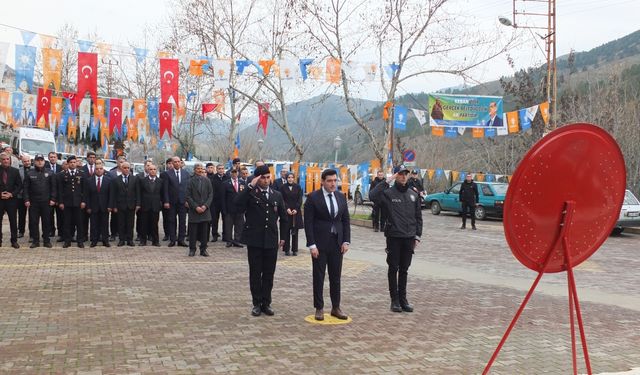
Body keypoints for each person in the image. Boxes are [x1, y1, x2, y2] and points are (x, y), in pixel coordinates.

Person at [234, 165, 287, 317]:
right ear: (257, 179)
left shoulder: (277, 195)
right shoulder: (250, 194)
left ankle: (267, 302)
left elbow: (283, 218)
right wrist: (250, 186)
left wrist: (283, 237)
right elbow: (237, 204)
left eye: (268, 177)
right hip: (255, 240)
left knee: (269, 273)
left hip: (271, 239)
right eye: (262, 178)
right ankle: (256, 303)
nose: (266, 180)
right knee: (256, 273)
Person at [369, 165, 423, 313]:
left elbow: (418, 217)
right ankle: (395, 300)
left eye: (406, 174)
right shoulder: (388, 193)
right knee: (393, 268)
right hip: (394, 237)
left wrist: (417, 236)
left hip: (409, 237)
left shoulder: (413, 194)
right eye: (400, 174)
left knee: (404, 269)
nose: (403, 176)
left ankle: (403, 299)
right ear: (396, 175)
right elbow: (372, 196)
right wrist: (387, 181)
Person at [304, 169, 350, 321]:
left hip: (337, 242)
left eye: (335, 180)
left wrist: (346, 241)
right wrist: (311, 244)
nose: (333, 184)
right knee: (319, 275)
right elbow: (308, 223)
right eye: (329, 181)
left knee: (336, 276)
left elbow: (345, 221)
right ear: (322, 181)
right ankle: (319, 307)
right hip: (319, 243)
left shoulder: (341, 197)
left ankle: (336, 307)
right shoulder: (313, 198)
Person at [23, 154, 56, 248]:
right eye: (38, 160)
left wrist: (53, 199)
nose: (40, 162)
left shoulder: (50, 173)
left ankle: (46, 240)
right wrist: (26, 199)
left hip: (46, 202)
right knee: (34, 222)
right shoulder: (30, 173)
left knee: (46, 222)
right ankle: (35, 241)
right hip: (34, 203)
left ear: (44, 161)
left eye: (41, 160)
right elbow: (26, 188)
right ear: (34, 162)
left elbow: (53, 187)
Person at [185, 163, 214, 257]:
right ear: (194, 170)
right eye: (198, 168)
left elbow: (210, 195)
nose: (200, 170)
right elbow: (188, 196)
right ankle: (192, 249)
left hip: (205, 211)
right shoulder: (190, 181)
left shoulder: (207, 180)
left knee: (204, 232)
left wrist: (205, 206)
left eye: (201, 168)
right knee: (193, 232)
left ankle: (203, 249)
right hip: (194, 211)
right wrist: (196, 207)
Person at [58, 155, 86, 248]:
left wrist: (83, 201)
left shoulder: (81, 174)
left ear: (76, 163)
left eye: (74, 162)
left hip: (78, 203)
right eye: (71, 162)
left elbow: (84, 190)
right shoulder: (62, 175)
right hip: (67, 203)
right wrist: (61, 202)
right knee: (67, 222)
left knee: (79, 222)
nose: (73, 164)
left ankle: (80, 241)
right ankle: (67, 240)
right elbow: (60, 190)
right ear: (68, 164)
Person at [109, 162, 139, 247]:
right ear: (121, 169)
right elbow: (113, 194)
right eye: (124, 168)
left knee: (130, 223)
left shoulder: (134, 179)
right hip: (120, 205)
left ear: (130, 169)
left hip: (131, 205)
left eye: (128, 168)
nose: (126, 169)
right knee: (121, 223)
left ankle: (130, 240)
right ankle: (121, 240)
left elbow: (137, 192)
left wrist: (138, 204)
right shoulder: (116, 180)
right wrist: (114, 206)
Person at [83, 161, 112, 247]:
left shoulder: (109, 180)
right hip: (93, 206)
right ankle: (94, 240)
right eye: (97, 169)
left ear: (103, 170)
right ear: (94, 170)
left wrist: (110, 206)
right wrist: (88, 206)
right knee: (94, 224)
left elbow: (111, 195)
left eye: (101, 169)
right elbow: (86, 195)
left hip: (105, 207)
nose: (99, 170)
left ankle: (105, 240)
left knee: (105, 224)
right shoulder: (89, 181)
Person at [163, 156, 189, 247]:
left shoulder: (186, 173)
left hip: (183, 202)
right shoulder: (167, 174)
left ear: (181, 163)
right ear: (172, 163)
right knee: (172, 221)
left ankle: (181, 240)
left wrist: (187, 200)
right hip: (172, 202)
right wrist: (166, 201)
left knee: (182, 221)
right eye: (175, 162)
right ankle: (173, 239)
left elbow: (188, 188)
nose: (177, 163)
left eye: (179, 161)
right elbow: (165, 189)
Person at [0, 153, 23, 248]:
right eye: (4, 159)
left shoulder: (15, 171)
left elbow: (19, 185)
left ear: (10, 160)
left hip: (12, 200)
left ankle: (14, 241)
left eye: (7, 159)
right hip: (0, 200)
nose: (6, 161)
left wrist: (12, 194)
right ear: (0, 160)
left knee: (13, 221)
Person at [138, 164, 162, 247]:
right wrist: (139, 204)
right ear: (148, 170)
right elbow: (139, 193)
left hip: (155, 206)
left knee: (155, 224)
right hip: (145, 206)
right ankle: (143, 241)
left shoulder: (160, 181)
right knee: (143, 224)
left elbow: (162, 194)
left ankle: (155, 241)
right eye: (151, 169)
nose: (152, 171)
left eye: (154, 169)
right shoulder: (142, 181)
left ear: (157, 171)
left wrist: (161, 204)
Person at [280, 172, 303, 256]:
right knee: (286, 231)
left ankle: (294, 250)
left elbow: (300, 199)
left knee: (295, 232)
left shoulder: (298, 187)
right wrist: (287, 208)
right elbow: (282, 199)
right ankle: (286, 249)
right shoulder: (282, 187)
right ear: (286, 178)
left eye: (292, 177)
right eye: (289, 177)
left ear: (294, 178)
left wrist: (296, 209)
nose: (290, 179)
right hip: (286, 212)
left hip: (295, 212)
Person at [222, 168, 245, 248]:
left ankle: (237, 240)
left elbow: (244, 196)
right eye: (233, 172)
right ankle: (229, 241)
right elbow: (223, 197)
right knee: (228, 226)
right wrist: (224, 209)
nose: (234, 174)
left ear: (238, 173)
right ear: (230, 173)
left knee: (239, 226)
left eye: (236, 173)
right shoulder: (226, 183)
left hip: (239, 209)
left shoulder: (242, 183)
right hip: (229, 208)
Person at [81, 151, 97, 242]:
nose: (92, 159)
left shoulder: (98, 169)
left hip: (95, 198)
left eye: (93, 157)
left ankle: (94, 236)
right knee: (84, 219)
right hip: (85, 197)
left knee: (95, 220)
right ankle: (84, 235)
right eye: (90, 157)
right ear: (87, 158)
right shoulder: (82, 169)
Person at [46, 151, 63, 240]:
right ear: (48, 158)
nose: (52, 158)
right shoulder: (45, 168)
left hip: (59, 196)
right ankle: (51, 230)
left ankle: (61, 232)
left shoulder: (61, 168)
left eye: (54, 157)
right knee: (49, 215)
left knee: (60, 215)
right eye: (51, 157)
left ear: (57, 158)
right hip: (49, 196)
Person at [208, 164, 226, 242]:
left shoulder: (227, 178)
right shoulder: (213, 178)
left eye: (222, 168)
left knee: (225, 219)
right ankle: (214, 235)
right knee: (215, 219)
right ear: (216, 169)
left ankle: (225, 235)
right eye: (219, 169)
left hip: (225, 202)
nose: (221, 170)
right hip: (215, 203)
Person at [159, 158, 174, 241]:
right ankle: (167, 234)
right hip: (166, 200)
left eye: (172, 163)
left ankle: (173, 233)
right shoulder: (163, 174)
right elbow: (162, 188)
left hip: (175, 200)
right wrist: (163, 200)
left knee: (173, 219)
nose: (171, 165)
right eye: (169, 163)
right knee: (166, 218)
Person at [18, 155, 31, 239]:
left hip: (32, 196)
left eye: (28, 161)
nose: (27, 163)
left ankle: (32, 233)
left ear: (31, 161)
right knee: (21, 215)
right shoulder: (19, 171)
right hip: (21, 196)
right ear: (22, 162)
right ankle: (21, 231)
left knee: (33, 216)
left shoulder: (35, 169)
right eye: (25, 161)